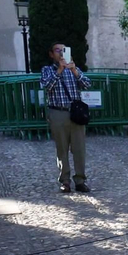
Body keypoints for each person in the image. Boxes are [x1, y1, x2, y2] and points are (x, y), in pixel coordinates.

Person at [39, 42, 90, 193]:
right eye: (57, 50)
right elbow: (47, 86)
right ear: (51, 54)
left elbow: (87, 84)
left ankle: (80, 180)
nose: (61, 53)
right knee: (62, 149)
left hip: (75, 113)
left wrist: (74, 70)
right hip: (57, 113)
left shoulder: (74, 69)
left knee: (79, 148)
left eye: (64, 50)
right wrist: (59, 70)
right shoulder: (47, 70)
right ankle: (65, 181)